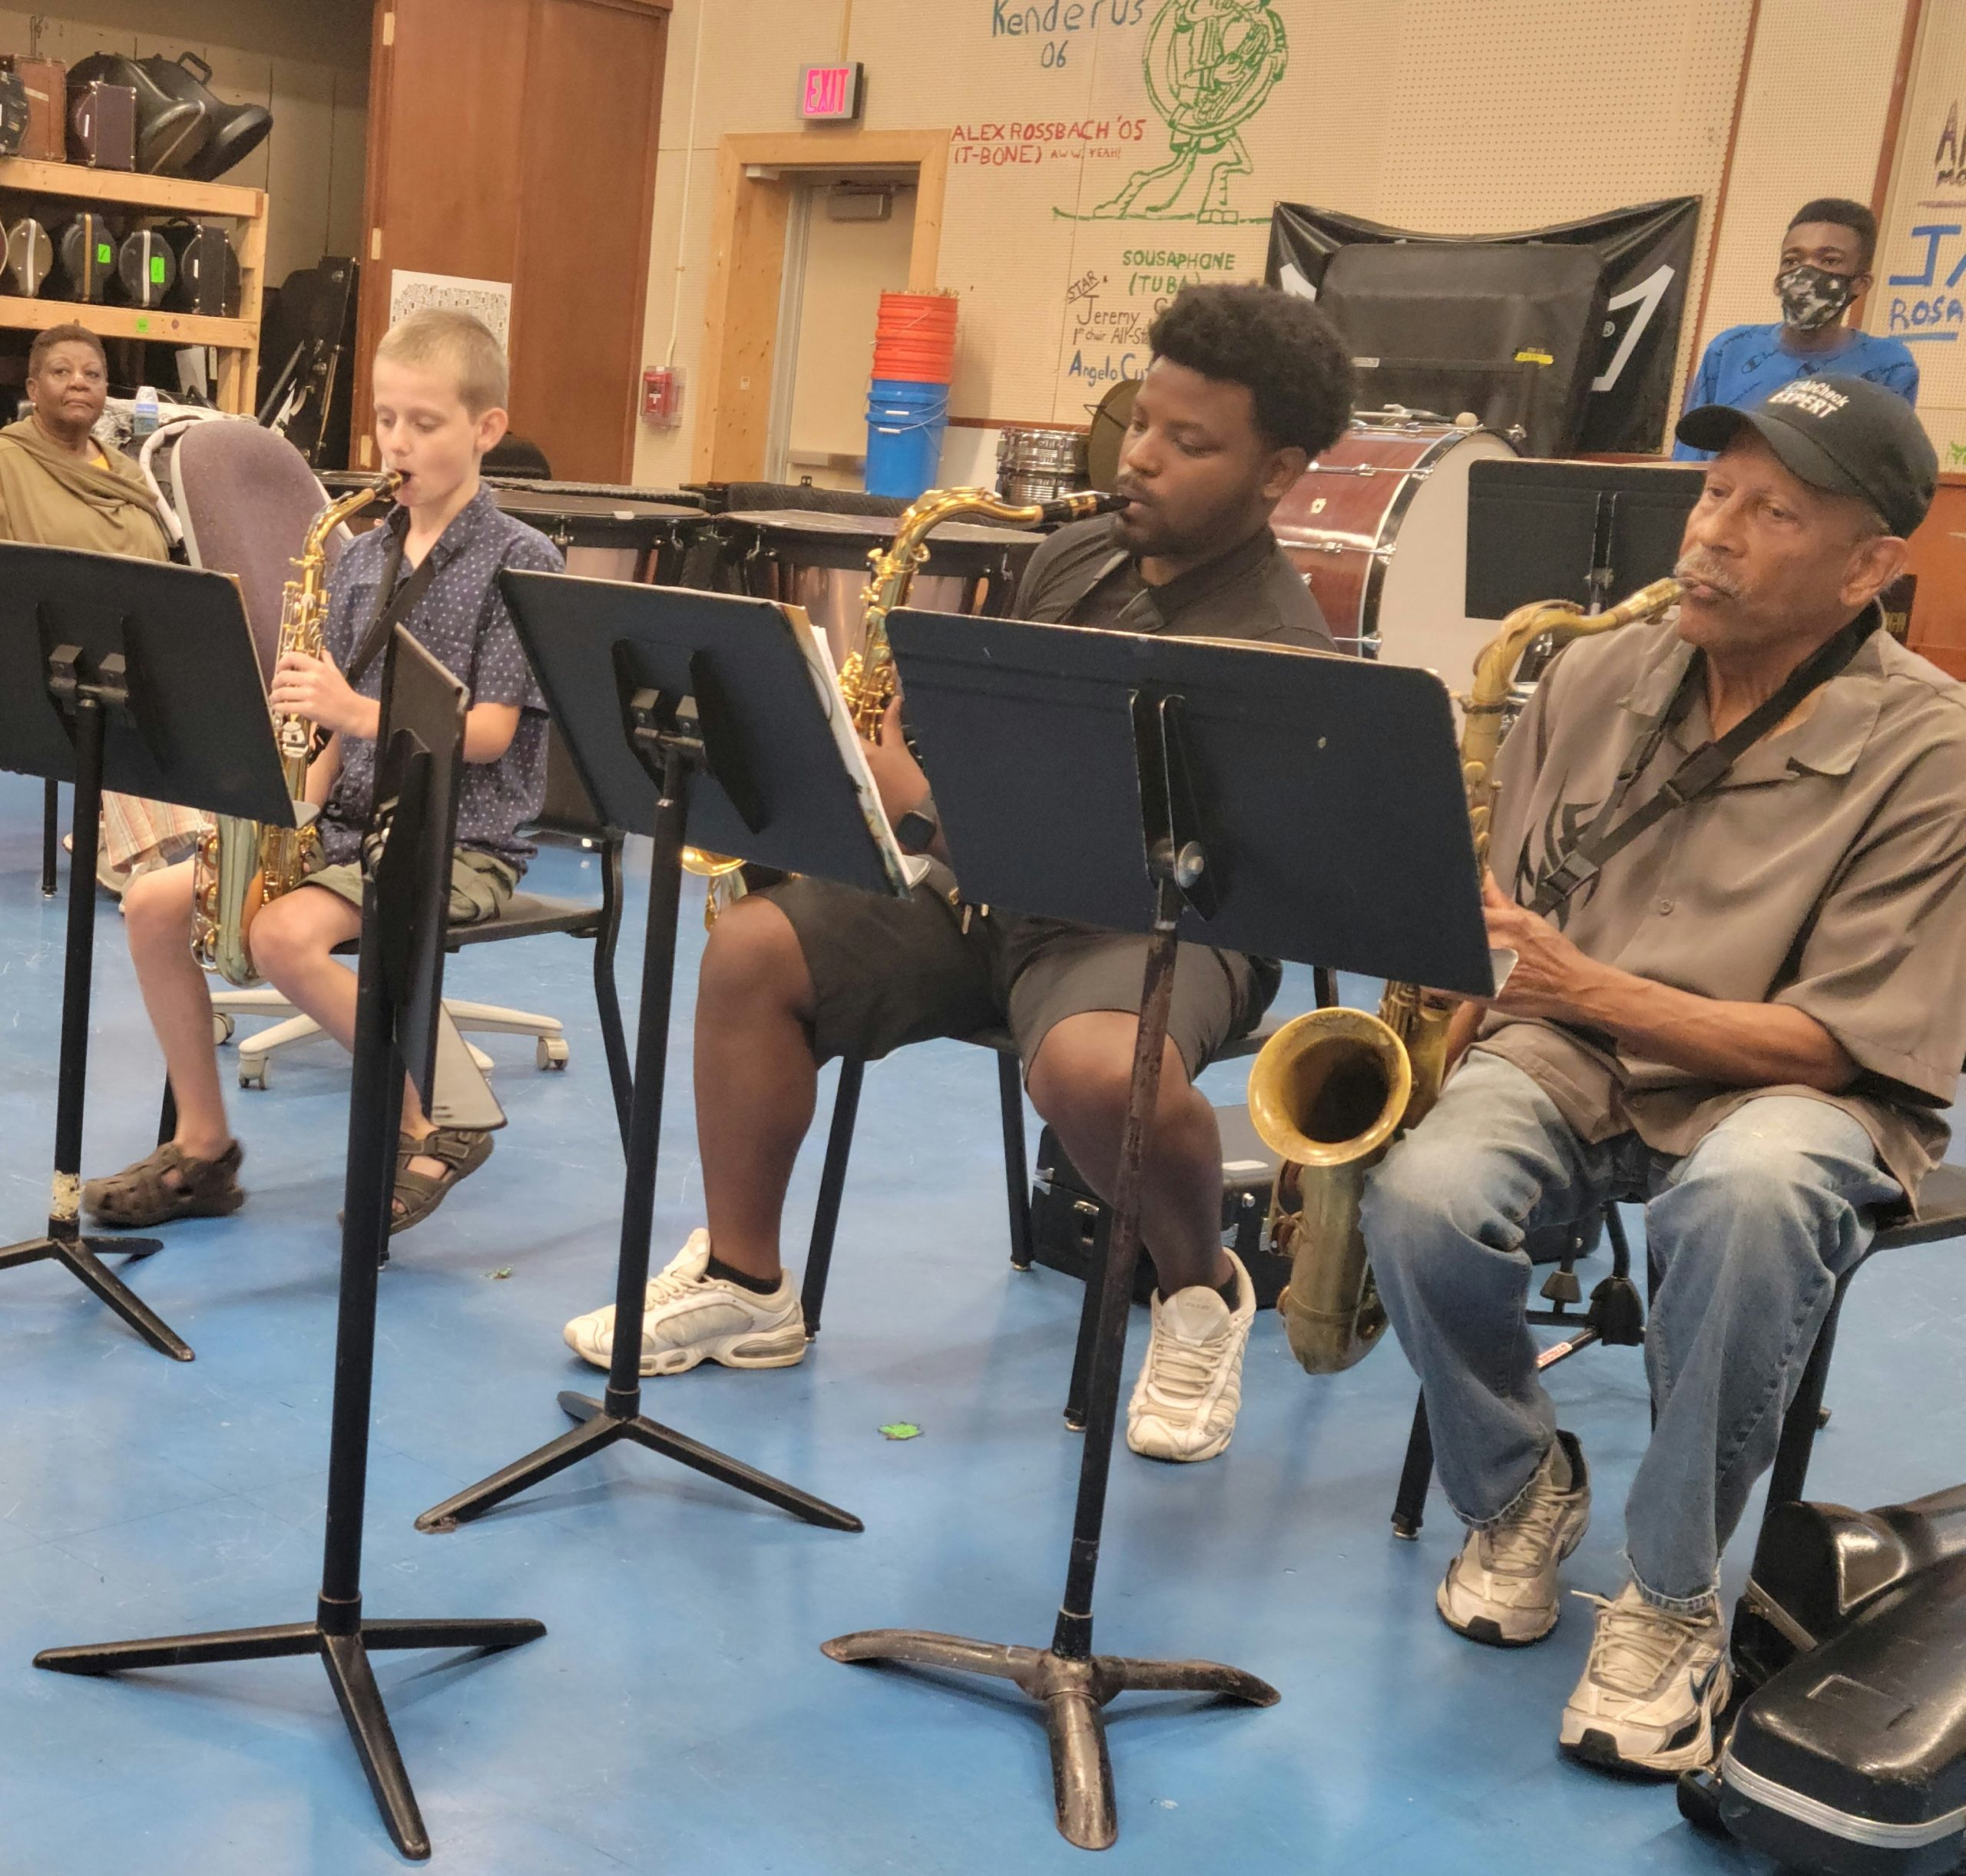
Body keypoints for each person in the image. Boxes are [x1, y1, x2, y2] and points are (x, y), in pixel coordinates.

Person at [561, 281, 1352, 1464]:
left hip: (1156, 924)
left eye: (1189, 444)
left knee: (1098, 1071)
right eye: (1141, 420)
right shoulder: (1075, 555)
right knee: (752, 950)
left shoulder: (1272, 643)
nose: (1140, 456)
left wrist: (922, 808)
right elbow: (974, 747)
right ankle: (747, 1280)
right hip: (985, 892)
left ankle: (1199, 1290)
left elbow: (1148, 859)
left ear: (1277, 472)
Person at [1361, 376, 1966, 1776]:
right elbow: (1514, 913)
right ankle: (1518, 1485)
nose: (1714, 534)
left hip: (1796, 1090)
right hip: (1571, 1054)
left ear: (1869, 565)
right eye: (1713, 494)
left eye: (1773, 513)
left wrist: (1582, 986)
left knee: (1749, 1199)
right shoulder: (1591, 675)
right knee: (1424, 1190)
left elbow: (1837, 1042)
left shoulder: (1936, 751)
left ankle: (1672, 1591)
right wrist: (1456, 1005)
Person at [81, 309, 562, 1236]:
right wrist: (284, 823)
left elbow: (493, 733)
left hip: (458, 837)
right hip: (345, 824)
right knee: (150, 904)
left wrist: (352, 711)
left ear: (486, 429)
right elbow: (325, 732)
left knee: (282, 937)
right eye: (385, 419)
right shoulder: (360, 557)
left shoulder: (519, 558)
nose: (397, 442)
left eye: (424, 423)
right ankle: (203, 1146)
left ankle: (434, 1116)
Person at [0, 323, 204, 890]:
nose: (78, 382)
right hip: (43, 649)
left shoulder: (126, 471)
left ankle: (121, 843)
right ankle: (141, 859)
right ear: (33, 388)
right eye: (61, 371)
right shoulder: (7, 462)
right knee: (121, 686)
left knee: (207, 679)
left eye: (92, 374)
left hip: (134, 636)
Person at [1673, 199, 1918, 462]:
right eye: (1791, 261)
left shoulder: (1889, 365)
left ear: (1861, 283)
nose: (1805, 272)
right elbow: (1689, 458)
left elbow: (1883, 469)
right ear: (1777, 282)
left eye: (1829, 260)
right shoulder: (1729, 349)